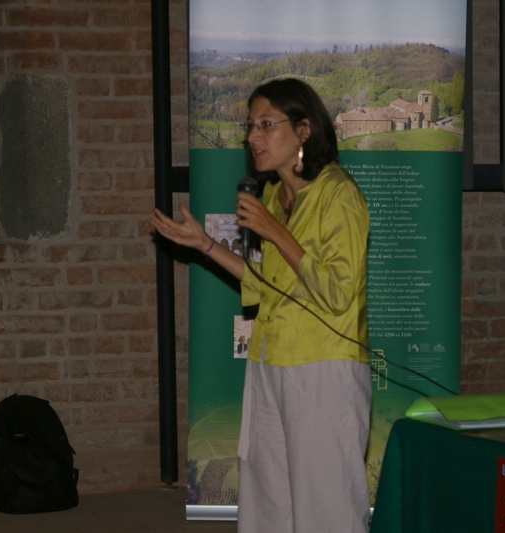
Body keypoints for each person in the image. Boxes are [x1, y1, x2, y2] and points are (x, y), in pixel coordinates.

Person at [149, 78, 371, 533]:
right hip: (269, 361)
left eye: (266, 124)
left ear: (304, 131)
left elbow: (336, 292)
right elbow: (269, 285)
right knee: (267, 500)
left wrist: (275, 232)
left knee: (324, 505)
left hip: (324, 369)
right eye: (250, 125)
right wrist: (206, 245)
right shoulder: (272, 196)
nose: (252, 137)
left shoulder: (338, 194)